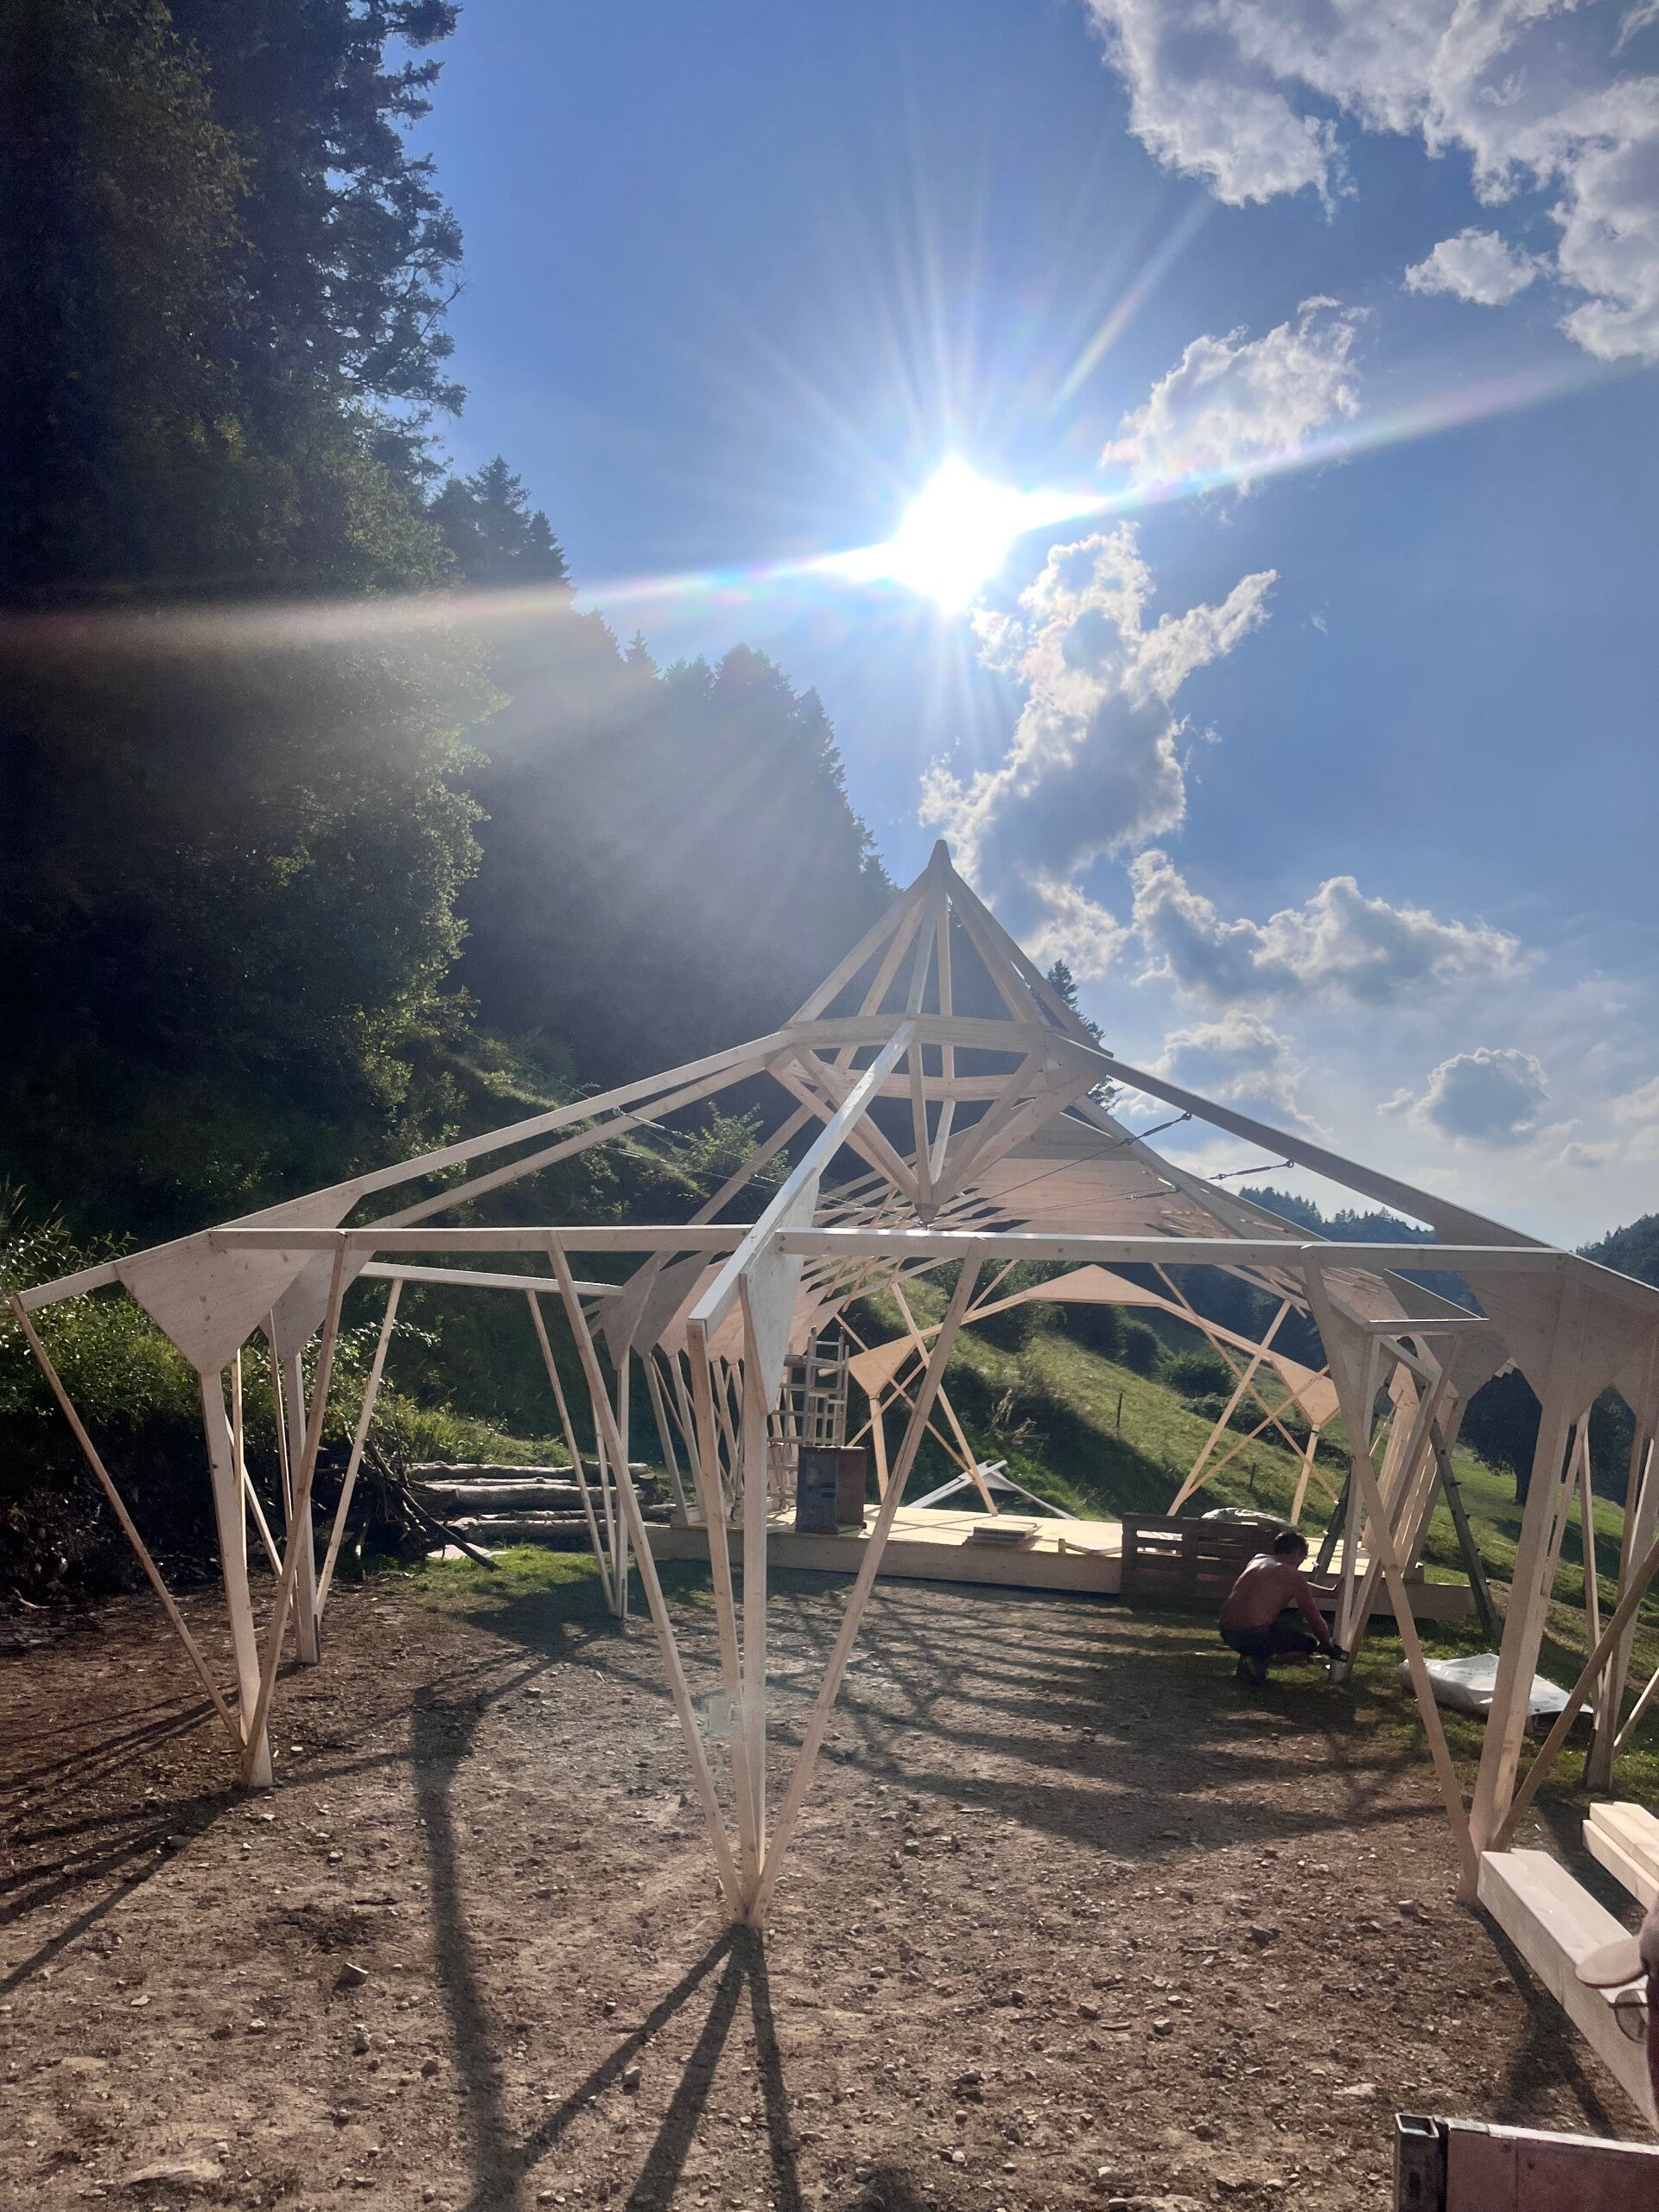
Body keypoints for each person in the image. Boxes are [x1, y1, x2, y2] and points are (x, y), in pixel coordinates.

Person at [1218, 1529, 1344, 1683]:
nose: (1299, 1565)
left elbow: (1299, 1586)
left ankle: (1250, 1659)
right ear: (1297, 1553)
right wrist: (1326, 1646)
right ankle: (1258, 1660)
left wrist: (1330, 1594)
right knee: (1309, 1644)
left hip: (1227, 1631)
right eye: (1302, 1560)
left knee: (1276, 1629)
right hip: (1252, 1635)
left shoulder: (1258, 1560)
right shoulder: (1291, 1575)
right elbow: (1314, 1619)